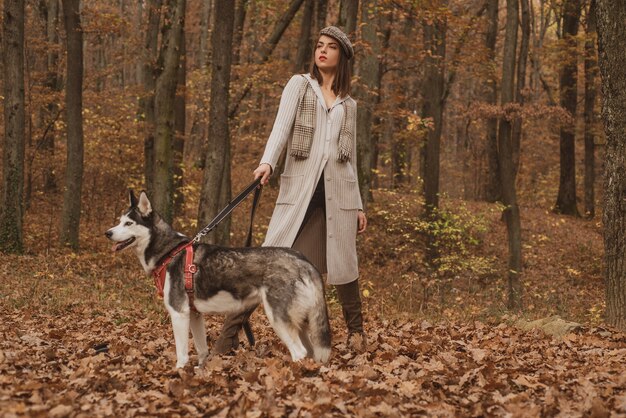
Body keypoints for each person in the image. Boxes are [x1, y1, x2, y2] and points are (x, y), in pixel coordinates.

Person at [213, 26, 368, 355]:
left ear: (342, 57)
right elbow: (281, 128)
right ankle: (226, 341)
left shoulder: (349, 105)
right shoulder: (300, 86)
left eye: (331, 47)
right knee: (268, 264)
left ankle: (354, 335)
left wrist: (358, 205)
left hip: (338, 197)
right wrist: (267, 162)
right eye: (319, 45)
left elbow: (350, 158)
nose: (322, 51)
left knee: (344, 266)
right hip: (301, 194)